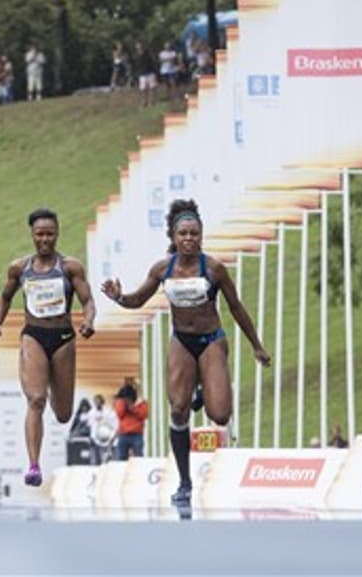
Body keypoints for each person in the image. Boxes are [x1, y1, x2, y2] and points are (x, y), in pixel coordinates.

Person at [101, 199, 270, 505]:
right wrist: (119, 298)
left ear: (201, 236)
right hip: (182, 341)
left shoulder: (214, 269)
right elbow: (138, 300)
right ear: (174, 238)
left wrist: (256, 345)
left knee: (220, 415)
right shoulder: (163, 269)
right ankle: (184, 482)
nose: (189, 239)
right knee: (178, 410)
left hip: (211, 341)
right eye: (184, 234)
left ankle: (205, 388)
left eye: (194, 234)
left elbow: (236, 308)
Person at [0, 208, 96, 486]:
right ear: (32, 235)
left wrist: (88, 321)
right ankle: (34, 466)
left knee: (62, 414)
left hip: (62, 339)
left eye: (50, 234)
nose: (45, 239)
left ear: (57, 234)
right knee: (36, 400)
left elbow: (87, 301)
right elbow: (4, 297)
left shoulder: (71, 267)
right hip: (34, 335)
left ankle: (53, 386)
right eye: (40, 234)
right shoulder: (19, 268)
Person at [114, 378, 149, 460]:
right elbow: (119, 414)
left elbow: (144, 414)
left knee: (138, 457)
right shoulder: (121, 401)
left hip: (136, 434)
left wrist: (133, 409)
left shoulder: (141, 402)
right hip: (123, 434)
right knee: (121, 458)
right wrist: (125, 405)